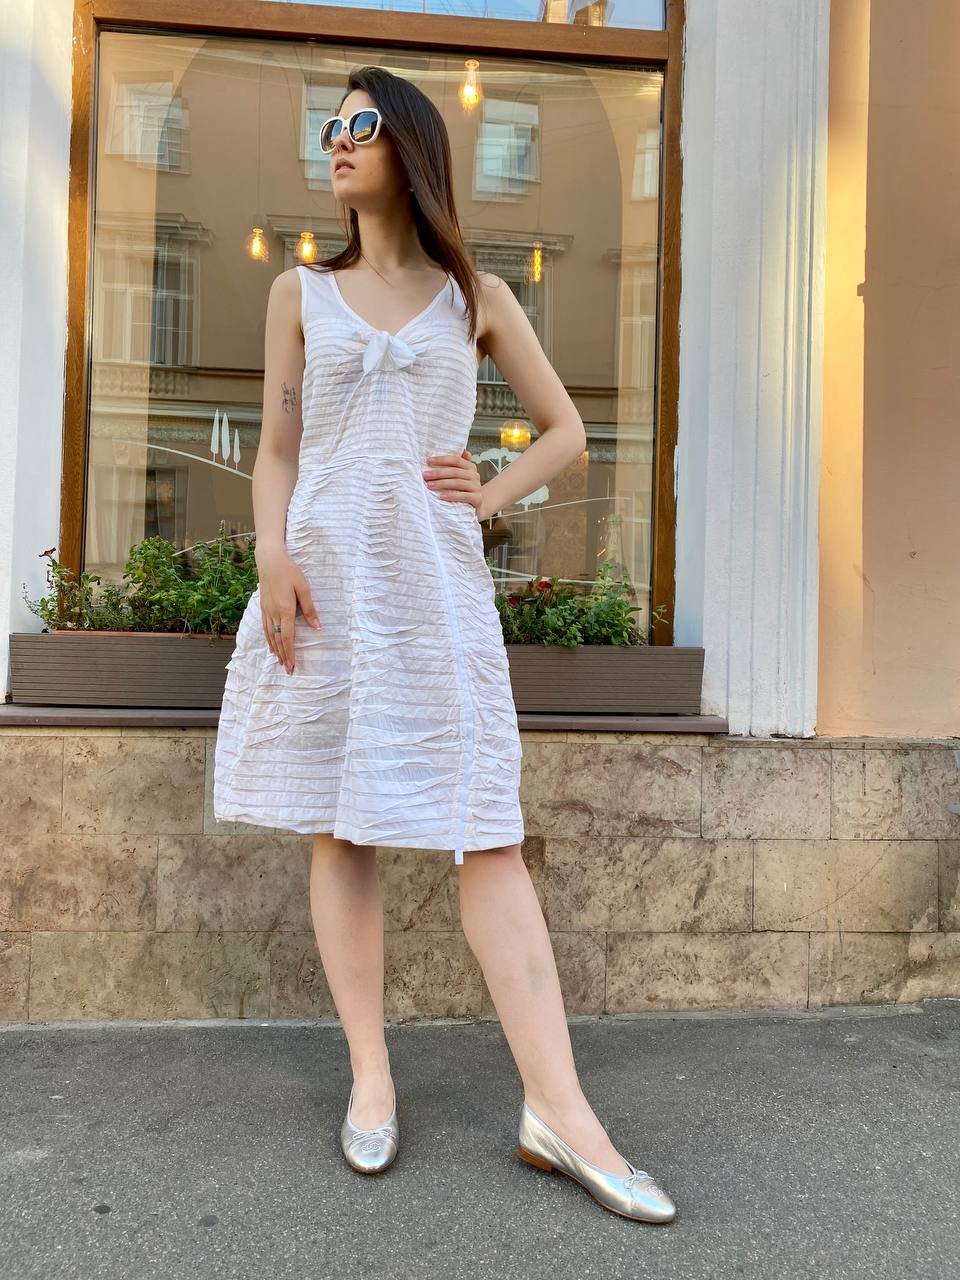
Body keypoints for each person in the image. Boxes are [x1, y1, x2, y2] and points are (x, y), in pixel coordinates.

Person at [213, 65, 676, 1225]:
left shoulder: (476, 295)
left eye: (361, 125)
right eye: (331, 125)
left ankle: (561, 1109)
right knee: (340, 824)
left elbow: (565, 429)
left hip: (434, 592)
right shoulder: (298, 294)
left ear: (410, 145)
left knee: (487, 830)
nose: (337, 141)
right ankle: (371, 1073)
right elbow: (278, 449)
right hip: (326, 583)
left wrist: (488, 496)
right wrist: (271, 553)